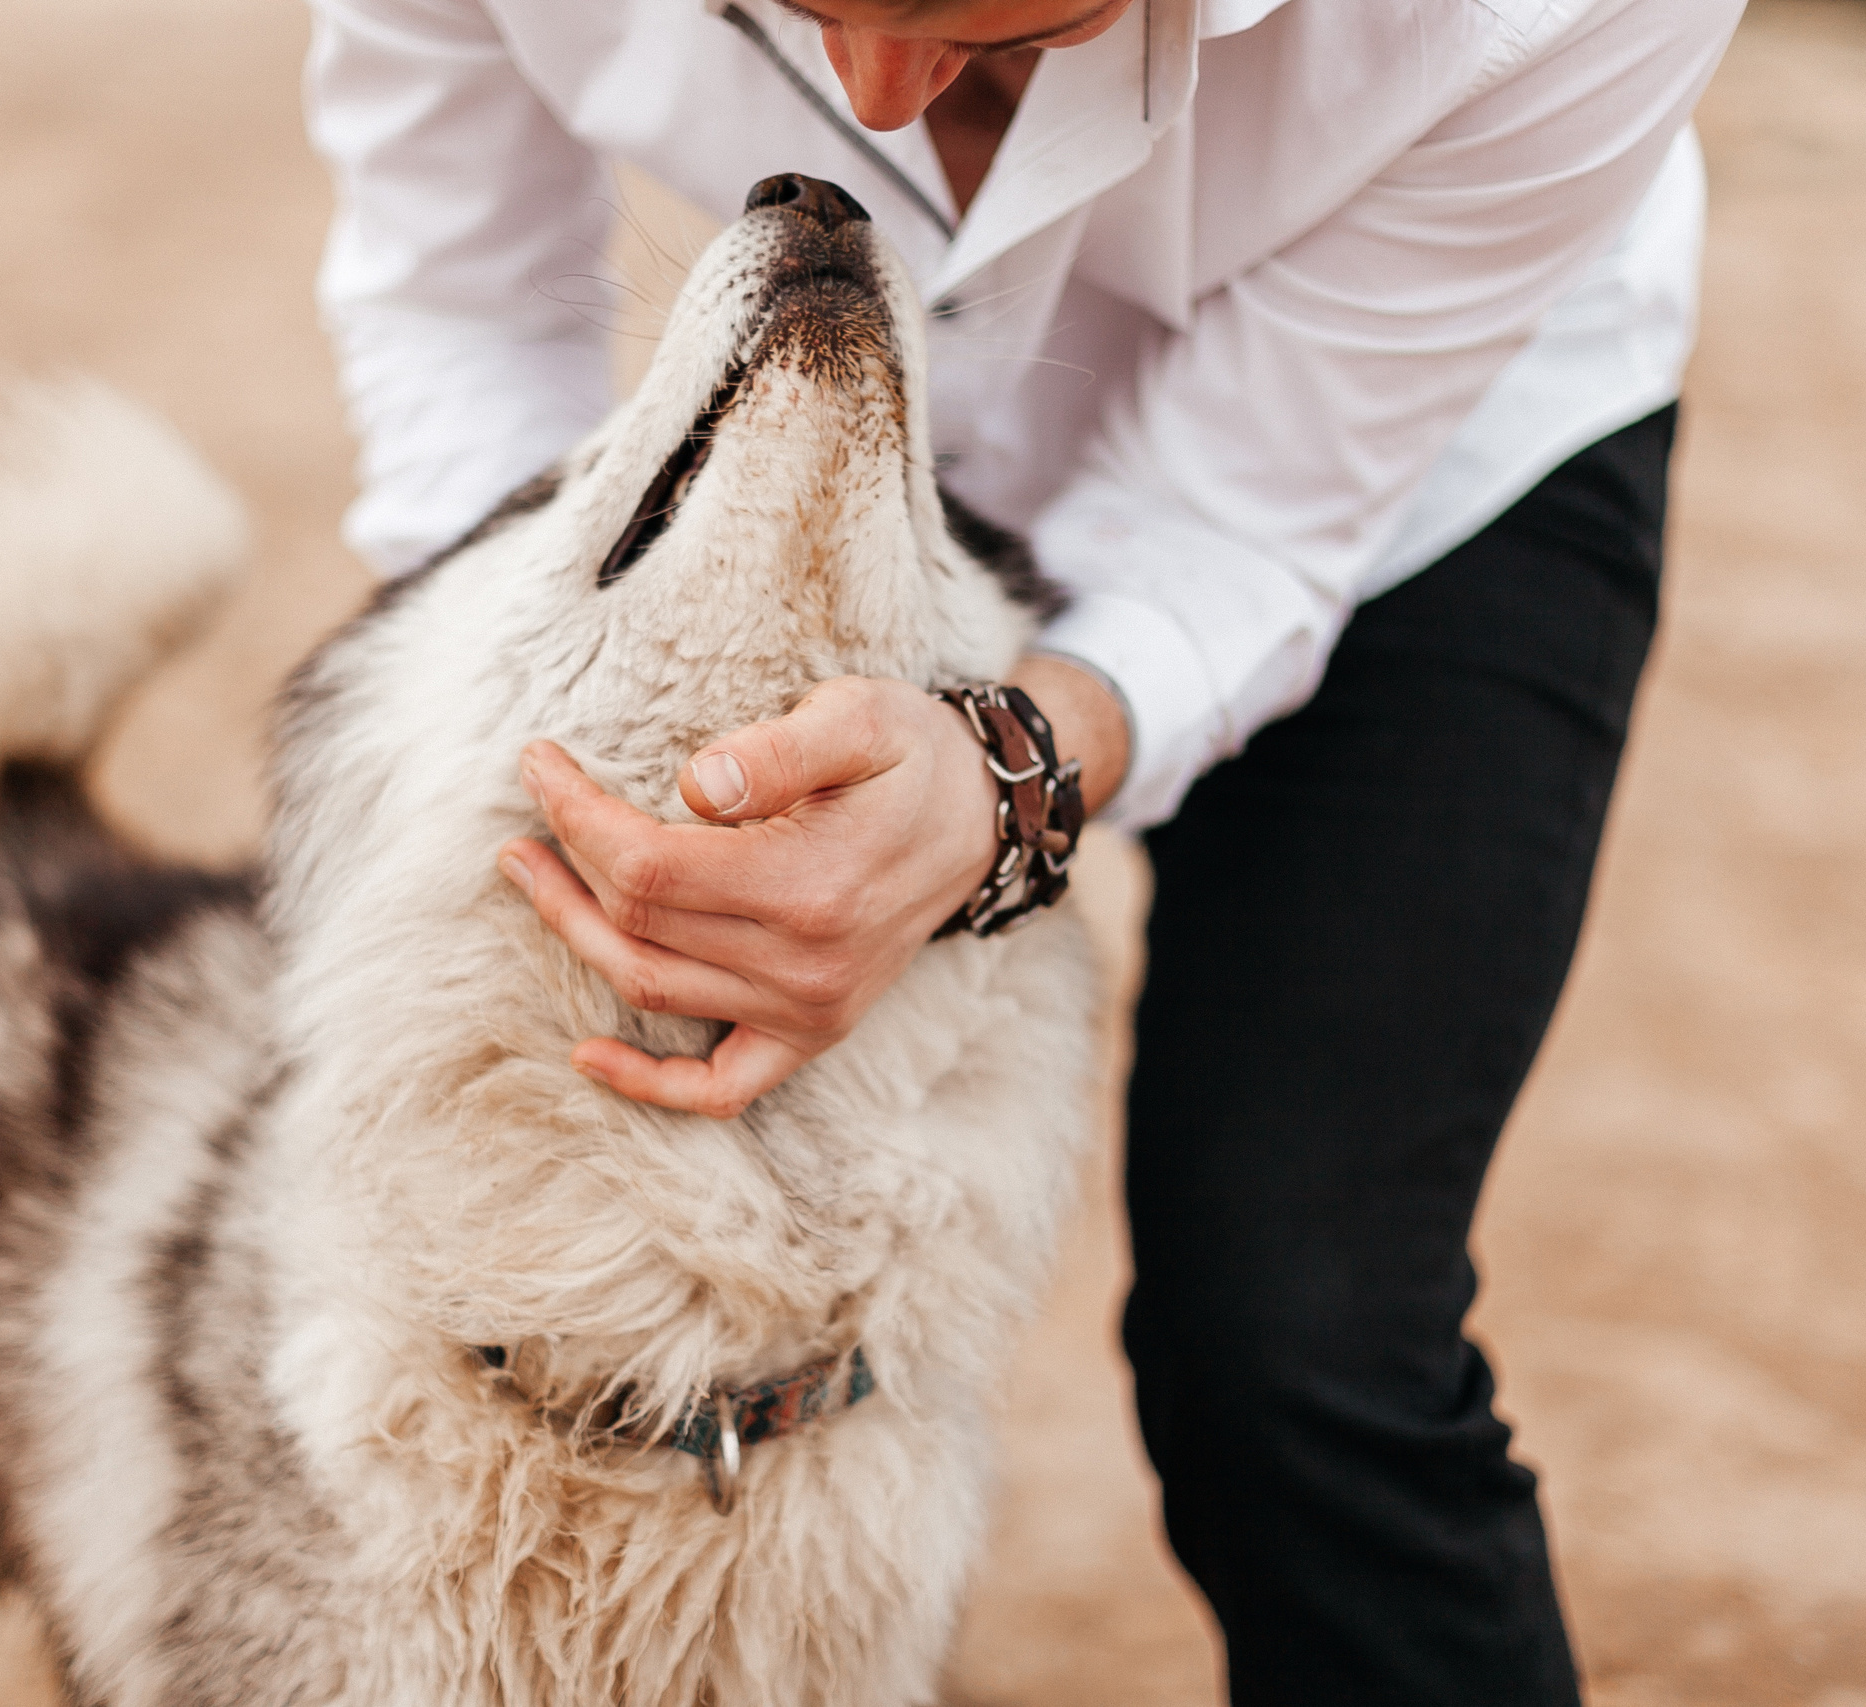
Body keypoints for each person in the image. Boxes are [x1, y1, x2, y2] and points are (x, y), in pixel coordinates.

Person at [305, 0, 1741, 1698]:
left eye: (1002, 14)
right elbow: (460, 306)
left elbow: (1250, 518)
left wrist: (1004, 784)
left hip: (1422, 469)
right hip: (854, 420)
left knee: (1300, 1340)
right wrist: (532, 725)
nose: (876, 100)